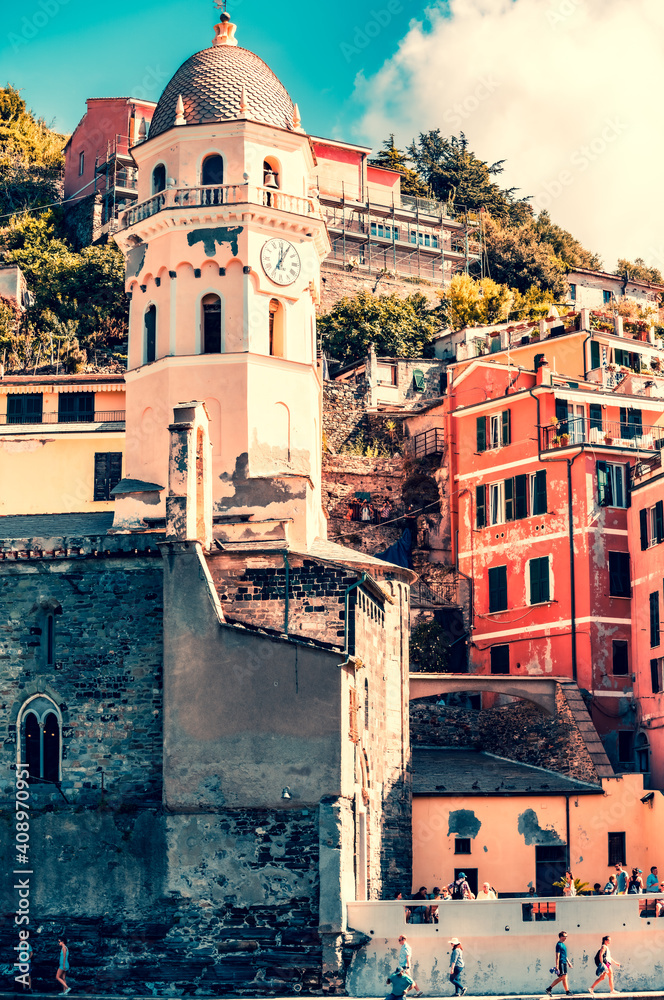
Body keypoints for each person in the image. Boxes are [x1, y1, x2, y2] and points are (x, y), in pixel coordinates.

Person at [545, 930, 572, 996]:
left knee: (564, 977)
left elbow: (565, 955)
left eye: (566, 936)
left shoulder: (563, 945)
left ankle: (567, 991)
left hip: (564, 962)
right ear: (560, 937)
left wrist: (569, 962)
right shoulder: (559, 945)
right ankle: (549, 988)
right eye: (564, 936)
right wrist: (557, 965)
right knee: (562, 977)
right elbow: (557, 956)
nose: (566, 938)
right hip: (561, 963)